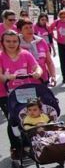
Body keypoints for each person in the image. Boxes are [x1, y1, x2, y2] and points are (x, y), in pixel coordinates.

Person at [0, 30, 42, 158]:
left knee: (30, 116)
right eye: (8, 41)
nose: (11, 44)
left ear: (19, 42)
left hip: (26, 91)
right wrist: (6, 77)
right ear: (3, 42)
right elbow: (1, 76)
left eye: (14, 41)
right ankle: (16, 147)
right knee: (12, 118)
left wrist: (37, 72)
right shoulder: (1, 56)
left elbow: (37, 67)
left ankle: (30, 143)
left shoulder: (25, 54)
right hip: (6, 93)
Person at [17, 19, 56, 85]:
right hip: (23, 82)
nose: (30, 30)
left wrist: (53, 76)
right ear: (20, 30)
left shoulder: (41, 41)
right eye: (26, 28)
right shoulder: (16, 44)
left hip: (42, 79)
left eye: (31, 27)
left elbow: (49, 61)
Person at [51, 9, 65, 84]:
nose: (62, 19)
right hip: (60, 43)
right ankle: (64, 76)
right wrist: (54, 37)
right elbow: (49, 29)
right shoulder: (57, 22)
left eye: (64, 17)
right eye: (61, 17)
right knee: (62, 61)